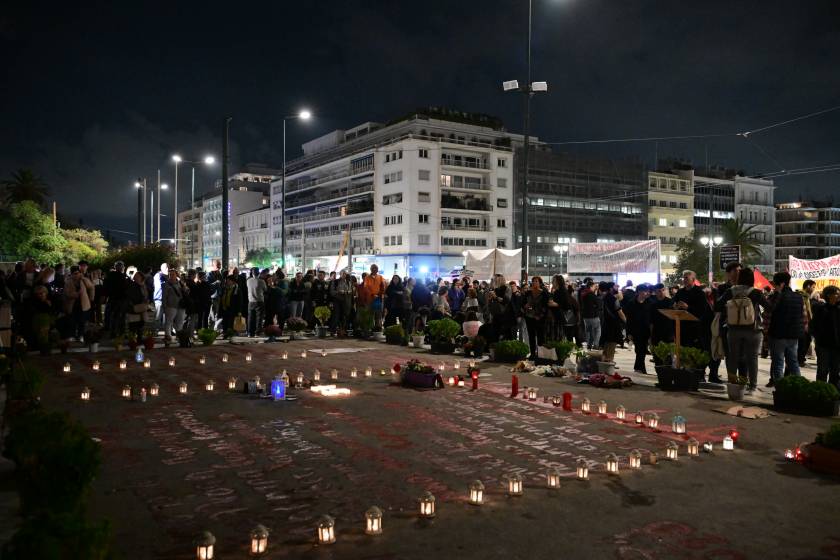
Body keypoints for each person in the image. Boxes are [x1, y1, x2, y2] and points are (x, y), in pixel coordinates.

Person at [718, 268, 768, 392]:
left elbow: (717, 306)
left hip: (733, 329)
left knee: (733, 358)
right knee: (752, 358)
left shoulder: (731, 291)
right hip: (753, 330)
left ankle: (733, 385)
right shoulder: (756, 292)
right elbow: (769, 307)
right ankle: (752, 387)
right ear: (752, 279)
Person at [767, 271, 804, 387]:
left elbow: (767, 315)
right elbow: (802, 316)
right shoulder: (799, 297)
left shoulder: (775, 297)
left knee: (778, 363)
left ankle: (780, 389)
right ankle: (799, 388)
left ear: (780, 284)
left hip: (778, 335)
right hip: (793, 336)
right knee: (793, 363)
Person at [812, 285, 840, 388]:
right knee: (822, 371)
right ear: (829, 295)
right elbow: (813, 327)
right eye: (836, 294)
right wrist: (818, 340)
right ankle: (820, 392)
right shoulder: (821, 309)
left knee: (835, 372)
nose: (838, 296)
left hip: (837, 347)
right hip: (823, 346)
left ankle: (833, 393)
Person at [624, 284, 653, 374]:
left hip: (646, 330)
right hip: (635, 330)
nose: (647, 293)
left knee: (643, 349)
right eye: (645, 291)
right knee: (639, 349)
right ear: (639, 292)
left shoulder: (650, 303)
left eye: (648, 291)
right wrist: (628, 332)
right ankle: (639, 368)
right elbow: (629, 319)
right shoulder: (631, 303)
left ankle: (639, 368)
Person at [63, 265, 94, 340]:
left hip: (83, 304)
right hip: (72, 304)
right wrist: (76, 294)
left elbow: (91, 287)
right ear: (72, 274)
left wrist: (91, 298)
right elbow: (67, 293)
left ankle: (81, 335)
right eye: (74, 273)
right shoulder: (68, 282)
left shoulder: (83, 280)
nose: (76, 275)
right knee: (72, 320)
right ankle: (72, 335)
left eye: (77, 273)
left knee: (82, 321)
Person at [523, 277, 549, 358]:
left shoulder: (544, 293)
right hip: (529, 316)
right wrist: (525, 306)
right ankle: (533, 354)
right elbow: (522, 303)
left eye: (536, 281)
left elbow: (546, 306)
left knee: (541, 336)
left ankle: (540, 354)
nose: (534, 282)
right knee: (531, 336)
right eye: (533, 281)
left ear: (540, 283)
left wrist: (540, 315)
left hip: (540, 318)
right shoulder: (528, 293)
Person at [601, 282, 626, 363]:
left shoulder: (604, 297)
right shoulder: (614, 299)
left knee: (606, 344)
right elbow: (620, 312)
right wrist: (626, 321)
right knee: (612, 345)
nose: (617, 287)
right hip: (614, 325)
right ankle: (609, 362)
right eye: (615, 286)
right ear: (611, 288)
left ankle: (604, 362)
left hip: (606, 324)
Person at [162, 269, 186, 342]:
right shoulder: (166, 284)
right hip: (171, 305)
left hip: (181, 305)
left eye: (173, 274)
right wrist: (164, 306)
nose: (171, 276)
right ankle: (168, 337)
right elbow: (164, 296)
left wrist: (185, 288)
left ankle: (179, 336)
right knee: (169, 322)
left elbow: (184, 292)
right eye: (170, 274)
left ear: (176, 275)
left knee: (180, 321)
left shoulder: (180, 283)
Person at [797, 279, 816, 367]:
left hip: (806, 324)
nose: (813, 289)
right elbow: (804, 312)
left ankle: (801, 359)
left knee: (806, 341)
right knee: (803, 343)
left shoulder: (807, 297)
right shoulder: (802, 296)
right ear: (808, 286)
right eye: (813, 287)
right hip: (802, 324)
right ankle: (800, 360)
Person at [125, 270, 149, 339]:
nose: (136, 277)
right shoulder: (131, 285)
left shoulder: (143, 286)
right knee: (133, 325)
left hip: (142, 308)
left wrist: (146, 300)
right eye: (135, 276)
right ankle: (133, 341)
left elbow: (146, 295)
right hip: (134, 307)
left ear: (141, 277)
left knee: (140, 324)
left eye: (137, 276)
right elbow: (130, 295)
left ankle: (139, 339)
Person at [362, 264, 386, 330]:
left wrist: (380, 294)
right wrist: (372, 294)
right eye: (373, 268)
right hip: (370, 300)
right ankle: (369, 329)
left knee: (378, 315)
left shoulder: (380, 277)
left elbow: (383, 287)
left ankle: (378, 329)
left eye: (376, 268)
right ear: (371, 269)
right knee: (370, 315)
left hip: (378, 299)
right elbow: (366, 288)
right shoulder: (367, 278)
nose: (375, 270)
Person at [330, 270, 353, 336]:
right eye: (343, 274)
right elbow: (331, 292)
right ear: (340, 274)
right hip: (337, 300)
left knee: (344, 316)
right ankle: (333, 330)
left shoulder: (348, 282)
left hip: (345, 301)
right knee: (336, 315)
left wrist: (348, 292)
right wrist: (339, 292)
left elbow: (351, 291)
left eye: (345, 274)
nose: (344, 275)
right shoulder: (335, 282)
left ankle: (342, 330)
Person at [580, 280, 601, 349]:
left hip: (585, 316)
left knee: (588, 331)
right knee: (597, 330)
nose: (595, 288)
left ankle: (589, 344)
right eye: (594, 286)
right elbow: (598, 305)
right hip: (593, 316)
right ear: (590, 286)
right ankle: (596, 344)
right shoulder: (592, 295)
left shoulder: (583, 294)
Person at [246, 267, 266, 337]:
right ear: (259, 273)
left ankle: (249, 333)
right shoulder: (261, 281)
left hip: (251, 301)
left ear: (252, 273)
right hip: (259, 301)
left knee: (250, 318)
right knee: (259, 318)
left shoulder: (248, 281)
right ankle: (257, 333)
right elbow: (265, 290)